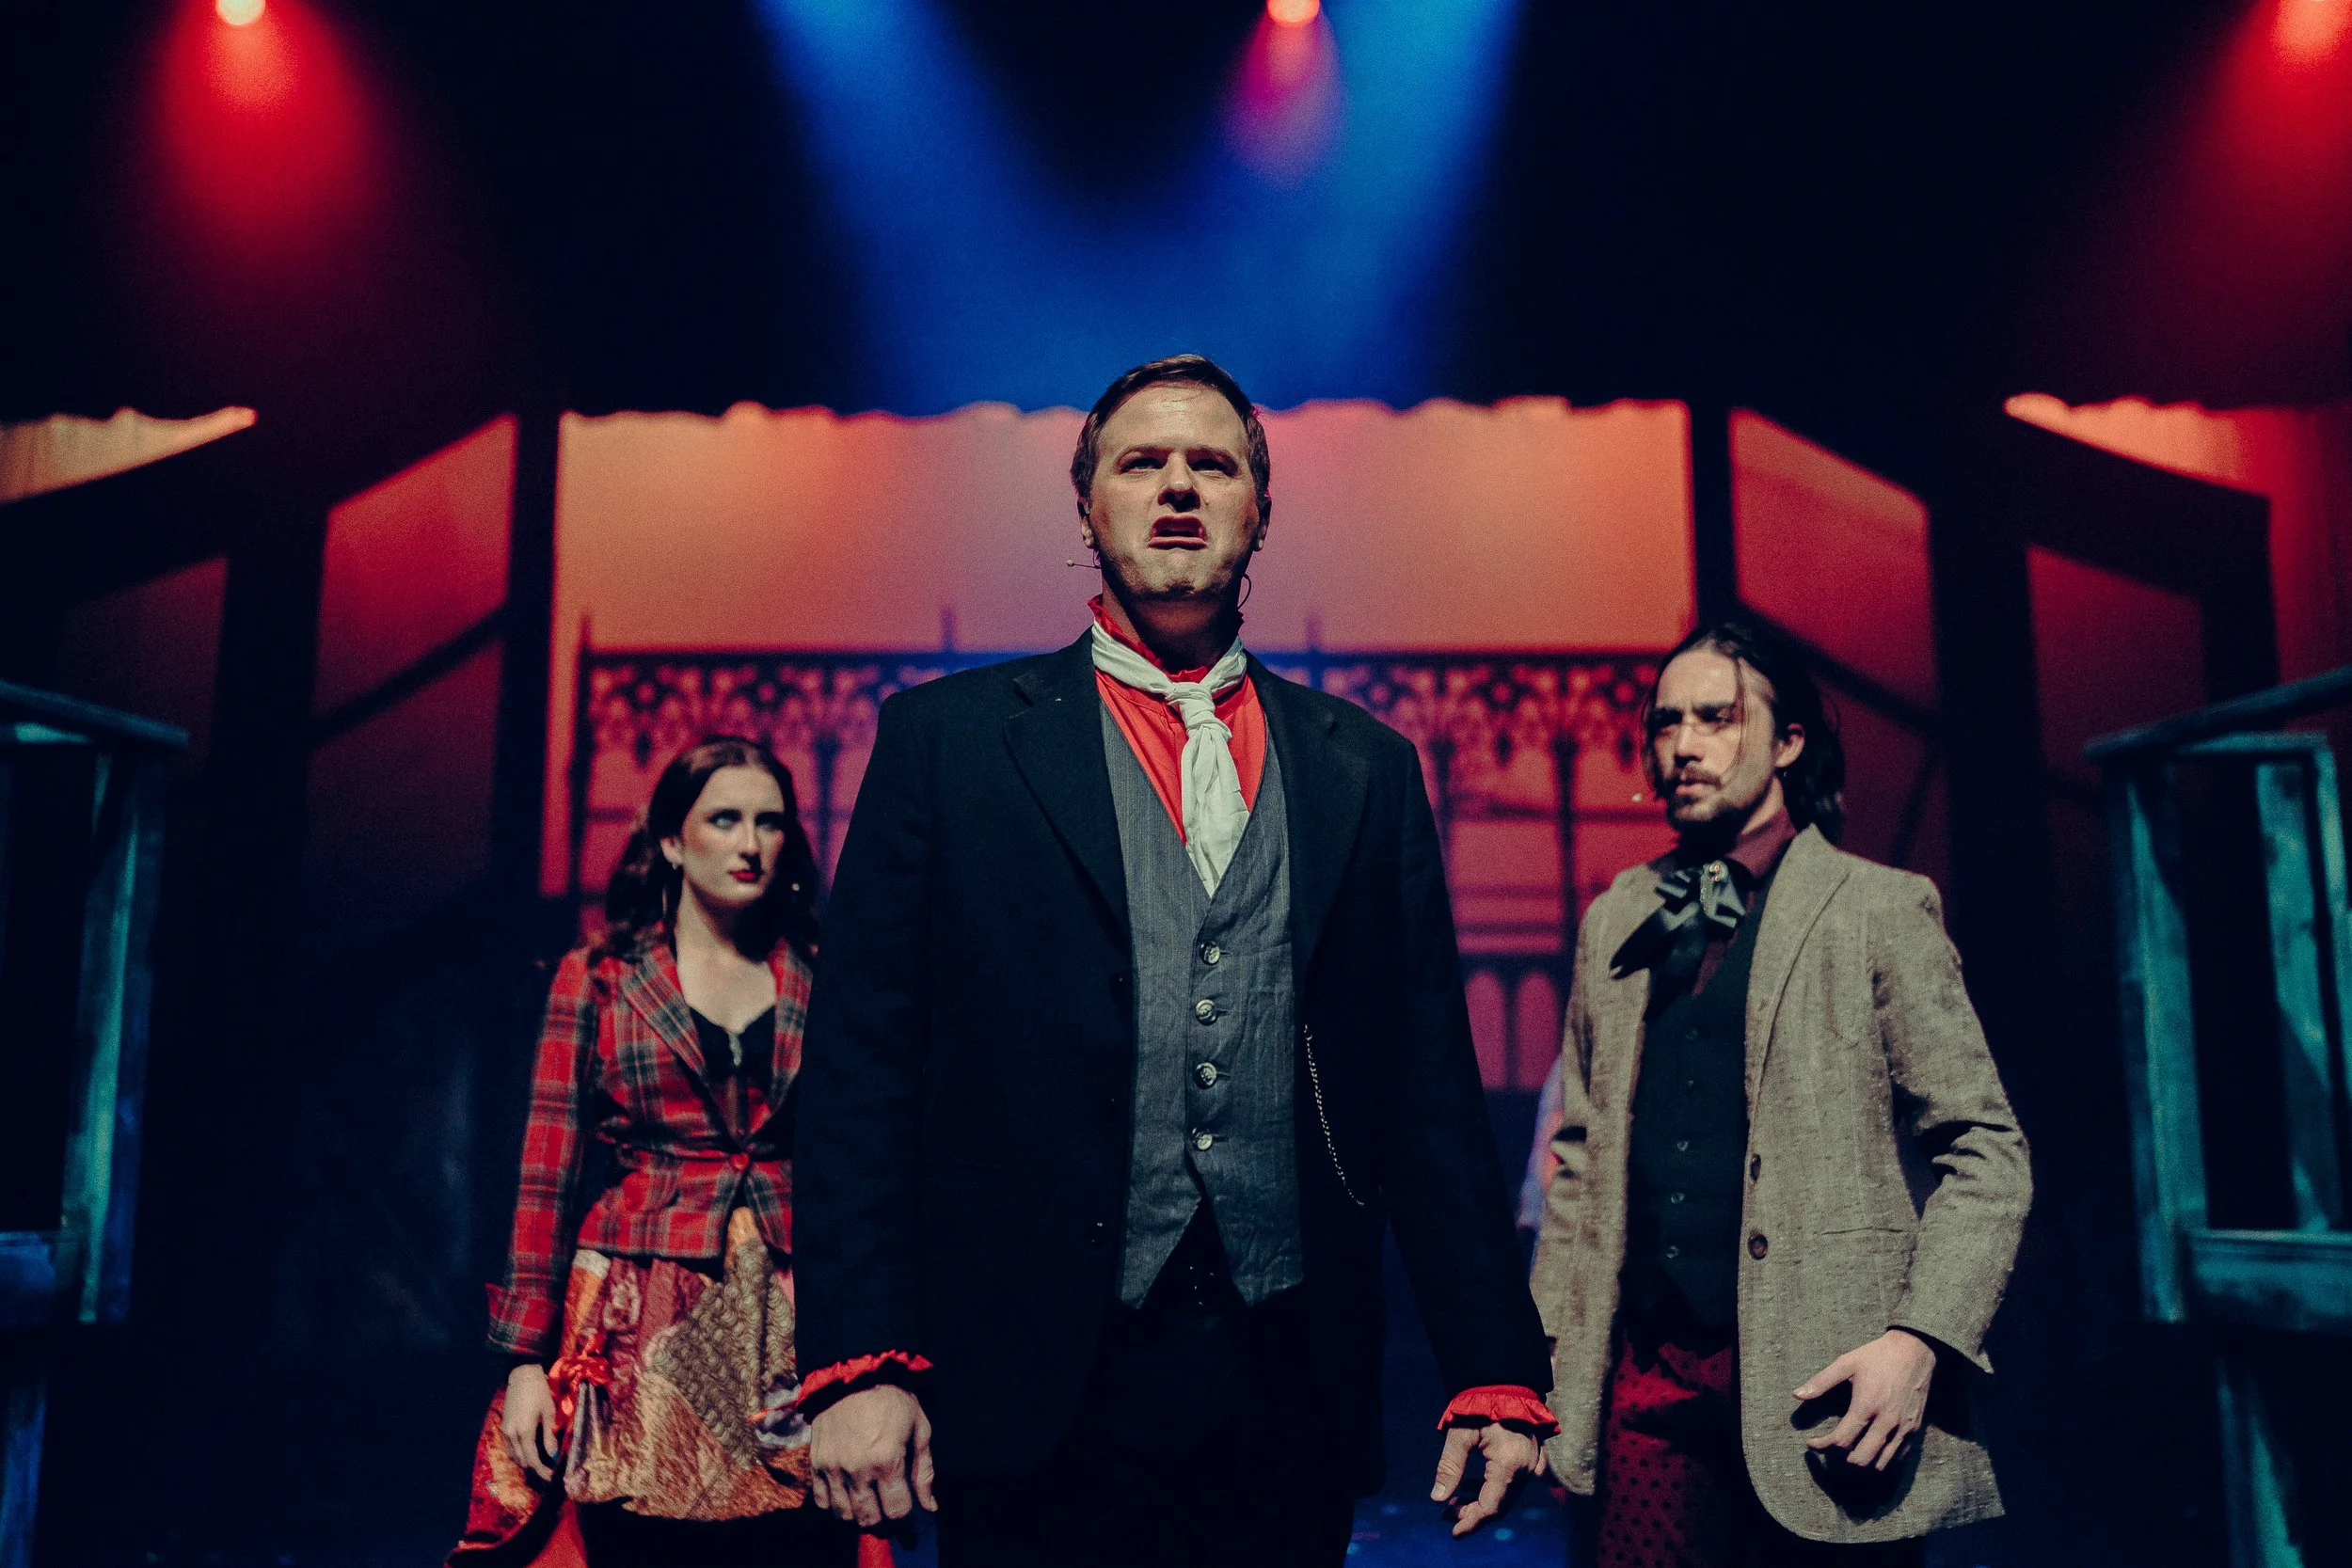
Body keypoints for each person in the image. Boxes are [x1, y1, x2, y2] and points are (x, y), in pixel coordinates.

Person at [791, 354, 1555, 1566]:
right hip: (1031, 1372)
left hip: (1284, 1369)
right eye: (1141, 462)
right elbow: (859, 1080)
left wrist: (1495, 1368)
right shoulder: (949, 746)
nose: (1179, 487)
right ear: (1084, 502)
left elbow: (1427, 1095)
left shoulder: (1364, 763)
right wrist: (857, 1360)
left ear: (1262, 508)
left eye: (1216, 464)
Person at [1528, 621, 2032, 1566]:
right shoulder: (1618, 920)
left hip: (1828, 1376)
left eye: (1716, 717)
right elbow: (1580, 1156)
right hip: (1643, 1371)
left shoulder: (1879, 910)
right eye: (1666, 721)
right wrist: (1543, 1362)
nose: (1682, 744)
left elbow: (1985, 1150)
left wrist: (1920, 1338)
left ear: (1788, 740)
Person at [450, 737, 862, 1568]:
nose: (751, 841)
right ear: (673, 840)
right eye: (726, 818)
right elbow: (546, 1176)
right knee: (640, 1537)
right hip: (642, 1308)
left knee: (795, 1538)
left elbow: (863, 1163)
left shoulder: (824, 975)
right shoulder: (602, 975)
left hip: (792, 1307)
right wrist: (524, 1364)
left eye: (770, 822)